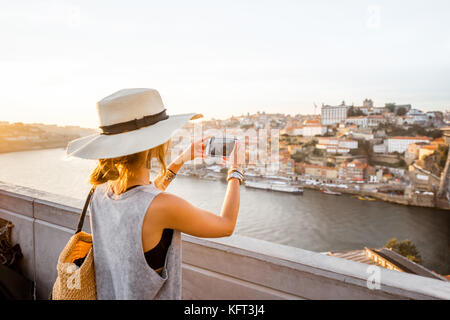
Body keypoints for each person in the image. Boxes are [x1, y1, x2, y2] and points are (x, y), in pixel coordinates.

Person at [66, 88, 244, 300]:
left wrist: (180, 161)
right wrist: (236, 170)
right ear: (155, 144)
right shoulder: (162, 206)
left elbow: (141, 203)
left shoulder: (100, 192)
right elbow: (226, 225)